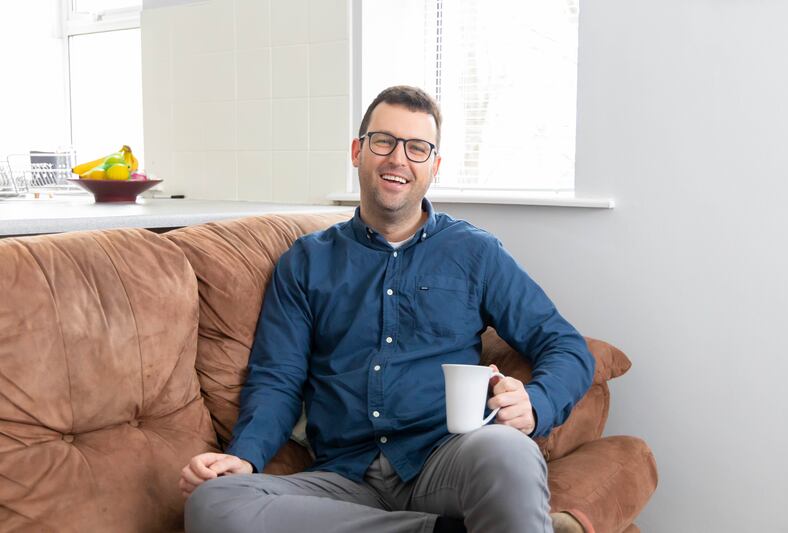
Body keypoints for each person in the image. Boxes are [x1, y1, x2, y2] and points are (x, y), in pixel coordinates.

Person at [180, 86, 594, 533]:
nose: (399, 159)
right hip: (345, 476)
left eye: (417, 148)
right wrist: (244, 457)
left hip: (446, 459)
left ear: (434, 167)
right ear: (358, 151)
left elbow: (566, 345)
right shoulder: (306, 262)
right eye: (384, 142)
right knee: (214, 503)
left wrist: (538, 402)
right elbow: (277, 377)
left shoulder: (475, 253)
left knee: (512, 453)